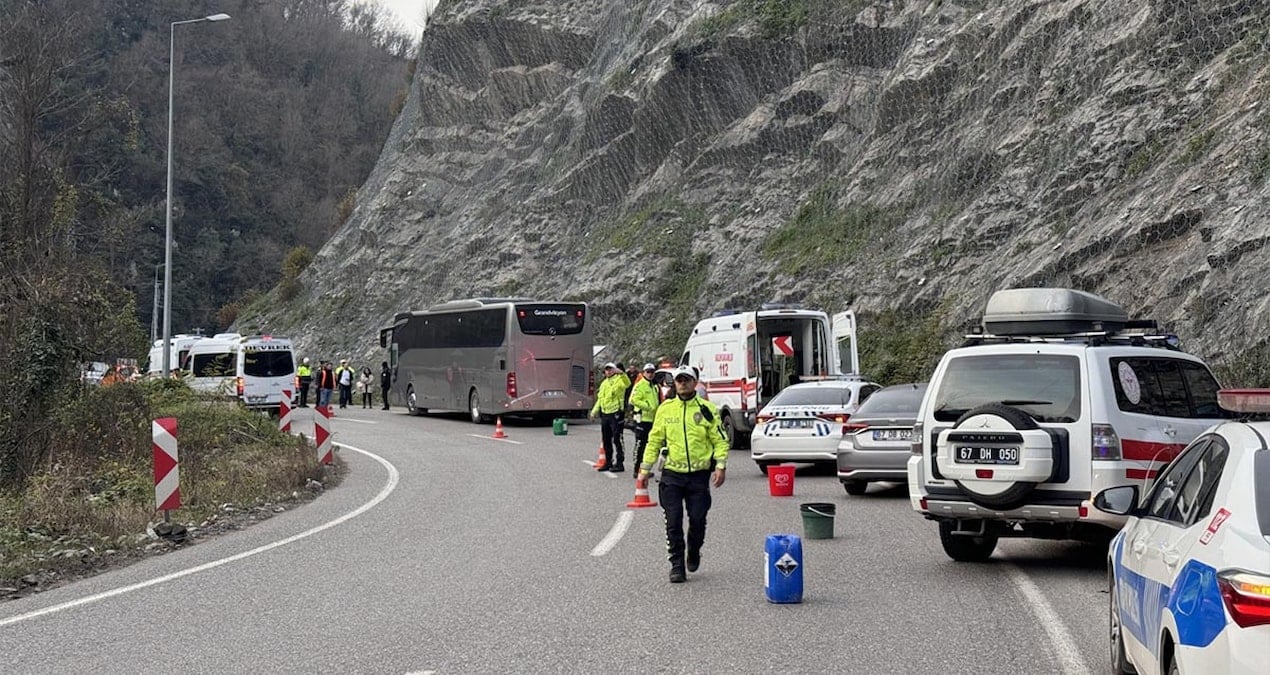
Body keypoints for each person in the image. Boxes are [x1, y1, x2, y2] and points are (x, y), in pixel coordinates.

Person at [638, 365, 728, 583]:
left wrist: (720, 465)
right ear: (674, 383)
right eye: (679, 380)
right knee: (673, 520)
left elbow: (720, 439)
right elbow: (654, 440)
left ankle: (694, 550)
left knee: (697, 520)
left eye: (687, 379)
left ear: (694, 382)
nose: (682, 383)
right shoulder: (665, 409)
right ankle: (677, 565)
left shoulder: (706, 409)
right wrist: (644, 470)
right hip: (671, 475)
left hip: (698, 475)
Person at [588, 362, 630, 472]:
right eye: (606, 369)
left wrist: (622, 373)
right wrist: (593, 412)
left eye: (610, 369)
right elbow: (600, 400)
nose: (608, 371)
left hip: (616, 413)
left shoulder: (619, 379)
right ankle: (608, 462)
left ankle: (620, 462)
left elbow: (627, 383)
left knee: (617, 439)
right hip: (605, 414)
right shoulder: (604, 384)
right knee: (606, 440)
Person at [628, 363, 660, 475]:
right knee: (640, 445)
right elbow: (633, 400)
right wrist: (647, 406)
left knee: (649, 446)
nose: (650, 374)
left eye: (652, 372)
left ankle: (644, 469)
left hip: (652, 420)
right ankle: (637, 470)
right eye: (648, 372)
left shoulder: (654, 386)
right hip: (642, 419)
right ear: (644, 372)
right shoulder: (640, 385)